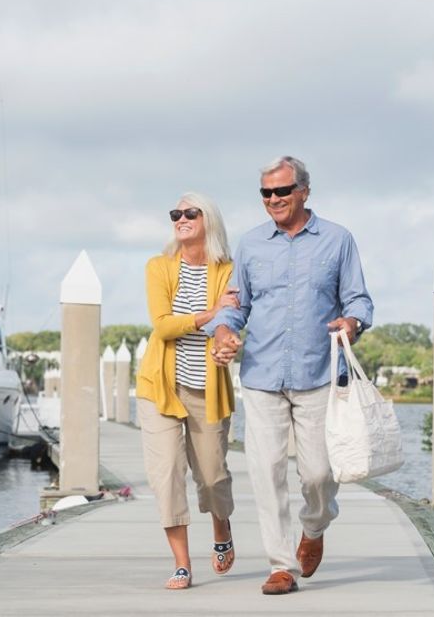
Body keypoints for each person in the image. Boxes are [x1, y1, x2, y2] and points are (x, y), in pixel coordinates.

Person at [205, 156, 373, 595]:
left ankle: (314, 528)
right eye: (266, 193)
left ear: (303, 191)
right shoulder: (251, 245)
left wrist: (351, 323)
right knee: (266, 472)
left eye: (282, 191)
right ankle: (281, 565)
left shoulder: (338, 240)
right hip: (261, 375)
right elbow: (235, 305)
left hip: (318, 373)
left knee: (318, 474)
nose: (274, 199)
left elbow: (358, 300)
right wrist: (223, 330)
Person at [135, 192, 240, 590]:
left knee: (212, 476)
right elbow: (162, 326)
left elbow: (230, 320)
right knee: (167, 476)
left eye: (189, 213)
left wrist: (225, 338)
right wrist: (210, 315)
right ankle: (182, 564)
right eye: (175, 214)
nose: (180, 218)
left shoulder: (228, 271)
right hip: (159, 387)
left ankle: (221, 530)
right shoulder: (158, 267)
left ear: (208, 221)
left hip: (206, 389)